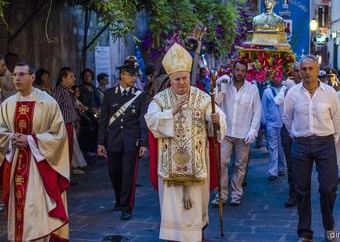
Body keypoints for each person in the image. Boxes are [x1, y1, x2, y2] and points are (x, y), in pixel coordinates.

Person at [144, 43, 226, 242]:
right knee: (172, 207)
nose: (182, 82)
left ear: (189, 77)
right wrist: (170, 113)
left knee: (199, 204)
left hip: (197, 164)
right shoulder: (160, 99)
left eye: (185, 78)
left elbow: (217, 121)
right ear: (170, 79)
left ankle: (198, 235)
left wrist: (215, 120)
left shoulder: (203, 98)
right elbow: (151, 120)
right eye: (177, 79)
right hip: (170, 166)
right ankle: (174, 237)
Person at [0, 62, 70, 241]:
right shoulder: (7, 104)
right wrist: (10, 138)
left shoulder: (47, 102)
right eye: (15, 75)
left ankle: (38, 237)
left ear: (32, 77)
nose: (17, 78)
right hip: (16, 163)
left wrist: (31, 140)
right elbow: (1, 131)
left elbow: (59, 135)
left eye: (22, 74)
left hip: (39, 166)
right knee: (20, 205)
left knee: (36, 206)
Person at [283, 55, 340, 242]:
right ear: (299, 71)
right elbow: (287, 119)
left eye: (311, 68)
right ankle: (305, 232)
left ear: (318, 70)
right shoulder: (292, 93)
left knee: (328, 188)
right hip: (301, 144)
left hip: (325, 143)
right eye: (304, 69)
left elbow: (337, 121)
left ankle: (328, 224)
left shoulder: (330, 93)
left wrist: (330, 141)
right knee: (301, 190)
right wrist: (298, 135)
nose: (307, 72)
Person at [97, 63, 149, 221]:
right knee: (114, 173)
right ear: (122, 75)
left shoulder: (140, 95)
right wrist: (100, 142)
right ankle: (119, 198)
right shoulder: (109, 94)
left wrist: (144, 143)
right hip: (113, 140)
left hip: (131, 141)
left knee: (128, 175)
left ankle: (126, 206)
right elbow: (104, 120)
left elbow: (143, 120)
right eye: (131, 75)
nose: (134, 78)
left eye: (135, 75)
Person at [213, 60, 261, 206]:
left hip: (243, 133)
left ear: (246, 73)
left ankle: (236, 193)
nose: (239, 73)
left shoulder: (252, 89)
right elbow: (216, 103)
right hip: (226, 132)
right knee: (221, 163)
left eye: (242, 71)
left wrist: (253, 131)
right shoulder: (225, 85)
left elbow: (257, 111)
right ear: (232, 70)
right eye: (237, 70)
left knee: (241, 165)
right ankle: (221, 194)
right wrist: (219, 86)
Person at [274, 62, 302, 207]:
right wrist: (285, 91)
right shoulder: (287, 87)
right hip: (288, 129)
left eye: (301, 70)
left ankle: (302, 193)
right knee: (291, 165)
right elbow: (277, 101)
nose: (299, 73)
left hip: (303, 131)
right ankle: (293, 194)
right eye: (296, 71)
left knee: (303, 167)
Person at [261, 77, 287, 181]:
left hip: (284, 123)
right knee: (273, 147)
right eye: (275, 77)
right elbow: (263, 107)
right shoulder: (267, 91)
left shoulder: (286, 89)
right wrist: (263, 124)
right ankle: (273, 171)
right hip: (271, 123)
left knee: (282, 147)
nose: (277, 79)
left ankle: (282, 168)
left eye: (279, 76)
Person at [53, 67, 79, 165]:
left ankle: (67, 177)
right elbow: (54, 110)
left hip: (69, 125)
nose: (74, 79)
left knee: (69, 152)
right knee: (64, 152)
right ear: (64, 79)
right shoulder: (59, 92)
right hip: (62, 126)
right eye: (71, 76)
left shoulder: (68, 91)